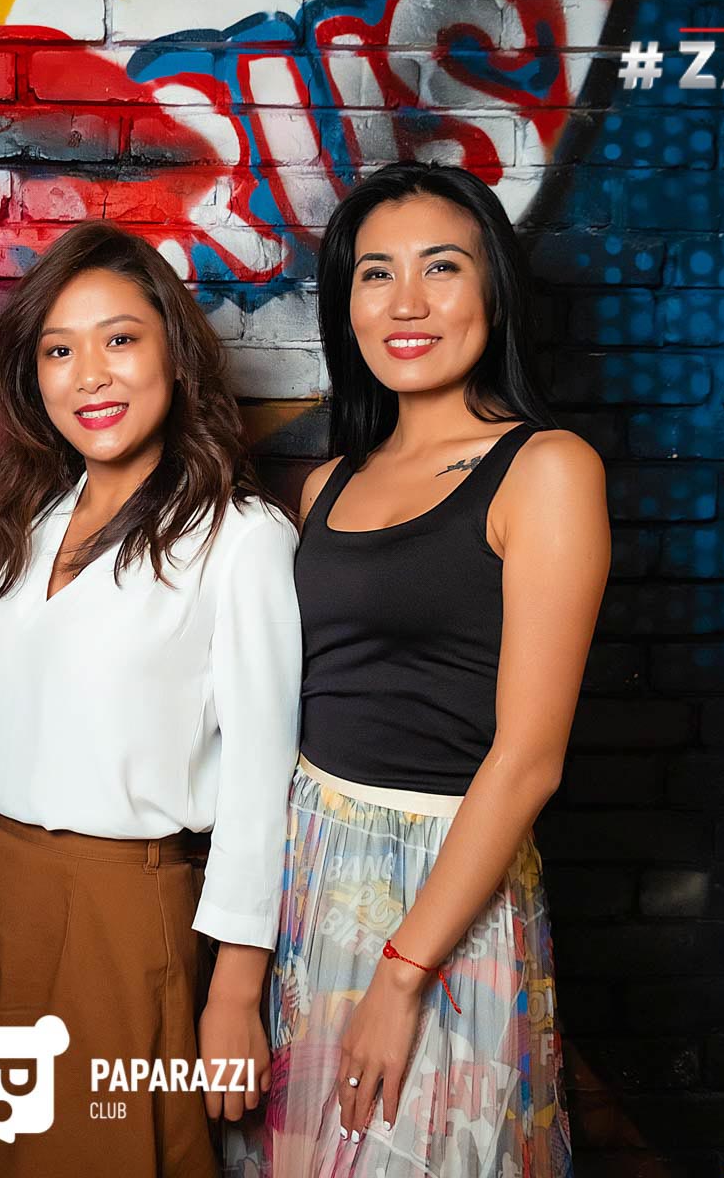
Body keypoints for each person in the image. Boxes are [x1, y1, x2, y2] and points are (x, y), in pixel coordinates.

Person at [248, 161, 608, 1177]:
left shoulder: (546, 470)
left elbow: (528, 760)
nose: (405, 303)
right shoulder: (327, 482)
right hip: (309, 866)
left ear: (493, 288)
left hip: (443, 888)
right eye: (376, 274)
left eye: (440, 268)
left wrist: (403, 974)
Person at [0, 222, 302, 1177]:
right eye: (59, 351)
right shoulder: (35, 520)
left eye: (119, 339)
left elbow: (263, 780)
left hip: (115, 904)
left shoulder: (241, 538)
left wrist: (235, 993)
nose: (90, 375)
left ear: (175, 356)